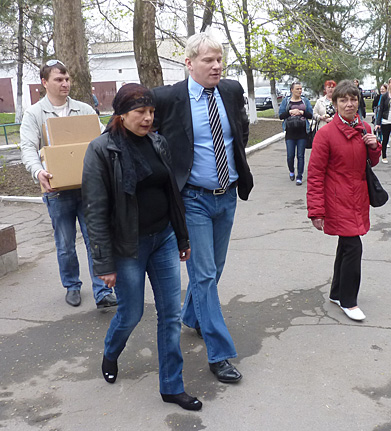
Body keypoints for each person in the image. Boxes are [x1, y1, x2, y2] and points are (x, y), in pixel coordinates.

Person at [81, 83, 202, 411]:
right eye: (140, 112)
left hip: (163, 238)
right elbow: (95, 210)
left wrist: (182, 236)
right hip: (127, 247)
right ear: (121, 114)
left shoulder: (157, 142)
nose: (148, 118)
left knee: (170, 315)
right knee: (131, 313)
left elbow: (171, 192)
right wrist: (104, 264)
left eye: (151, 111)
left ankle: (172, 386)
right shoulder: (101, 150)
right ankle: (111, 351)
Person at [152, 32, 253, 384]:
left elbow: (240, 131)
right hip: (192, 199)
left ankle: (192, 317)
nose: (216, 66)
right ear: (189, 63)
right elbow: (134, 129)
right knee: (205, 274)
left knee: (214, 268)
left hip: (227, 196)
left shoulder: (231, 91)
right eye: (208, 60)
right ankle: (219, 353)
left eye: (219, 59)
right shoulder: (168, 98)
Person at [20, 60, 117, 309]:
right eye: (58, 80)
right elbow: (28, 148)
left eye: (67, 79)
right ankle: (72, 286)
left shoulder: (84, 110)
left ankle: (102, 291)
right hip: (56, 190)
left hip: (89, 188)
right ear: (44, 83)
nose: (65, 84)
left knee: (95, 239)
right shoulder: (35, 114)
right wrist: (38, 172)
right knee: (65, 244)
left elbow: (102, 139)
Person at [307, 80, 382, 321]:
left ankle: (337, 293)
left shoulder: (364, 127)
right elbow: (315, 174)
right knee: (353, 246)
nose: (349, 104)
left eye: (353, 99)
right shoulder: (326, 134)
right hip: (337, 199)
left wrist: (374, 146)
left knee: (346, 244)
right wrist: (316, 210)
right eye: (343, 100)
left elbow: (371, 162)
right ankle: (349, 301)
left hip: (358, 196)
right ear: (335, 103)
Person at [279, 82, 313, 185]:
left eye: (301, 89)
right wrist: (290, 112)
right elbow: (281, 115)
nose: (300, 90)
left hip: (302, 133)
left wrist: (302, 112)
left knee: (300, 155)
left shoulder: (305, 101)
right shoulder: (286, 101)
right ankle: (292, 171)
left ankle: (299, 176)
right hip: (290, 133)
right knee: (290, 155)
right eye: (297, 89)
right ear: (292, 90)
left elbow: (310, 115)